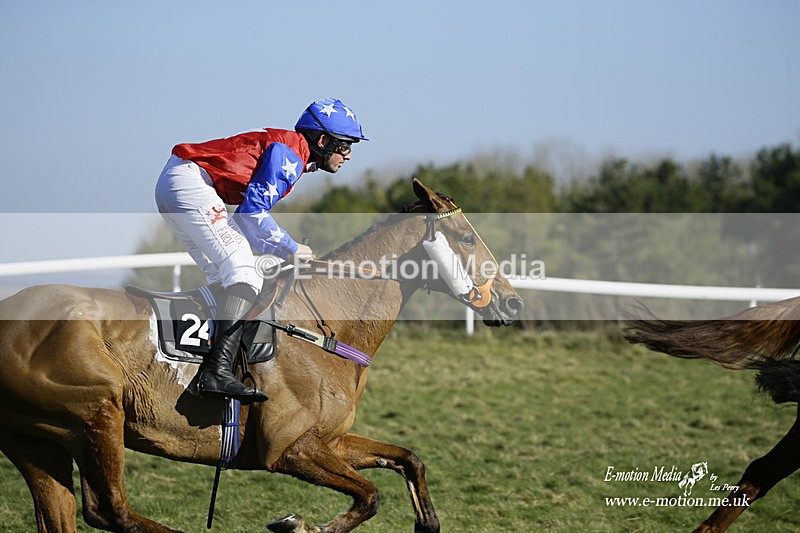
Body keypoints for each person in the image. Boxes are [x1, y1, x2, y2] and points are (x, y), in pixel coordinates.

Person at [154, 98, 368, 403]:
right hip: (189, 182)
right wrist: (292, 248)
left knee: (225, 275)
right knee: (243, 272)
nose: (347, 155)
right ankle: (217, 372)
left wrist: (282, 253)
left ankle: (205, 359)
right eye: (345, 146)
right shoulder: (289, 155)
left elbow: (246, 223)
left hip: (179, 181)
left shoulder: (291, 151)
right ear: (323, 141)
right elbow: (252, 215)